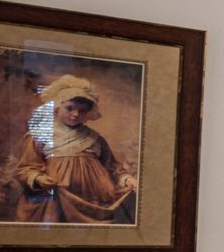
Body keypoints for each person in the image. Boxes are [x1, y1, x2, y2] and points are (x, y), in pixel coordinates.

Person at [9, 76, 139, 224]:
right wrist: (38, 178)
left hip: (97, 200)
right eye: (70, 108)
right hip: (58, 199)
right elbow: (26, 167)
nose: (76, 114)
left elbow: (112, 166)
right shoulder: (40, 135)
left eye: (82, 110)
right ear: (57, 106)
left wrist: (127, 178)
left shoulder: (95, 138)